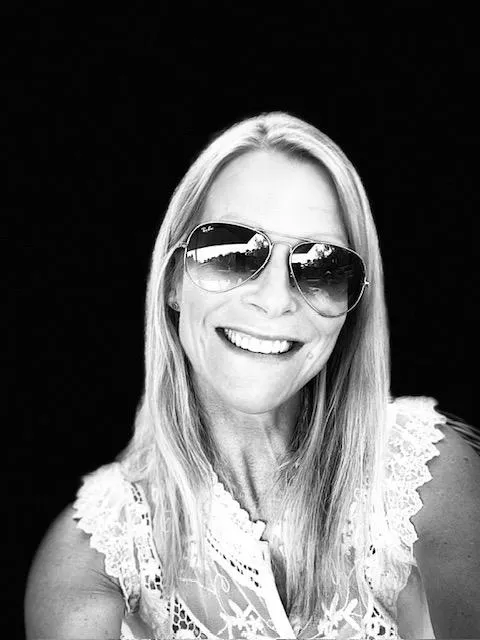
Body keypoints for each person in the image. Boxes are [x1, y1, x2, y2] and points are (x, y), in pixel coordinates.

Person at [24, 112, 480, 639]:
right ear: (173, 281)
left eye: (321, 266)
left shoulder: (426, 473)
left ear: (352, 305)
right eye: (232, 252)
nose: (275, 299)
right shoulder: (93, 556)